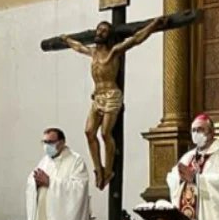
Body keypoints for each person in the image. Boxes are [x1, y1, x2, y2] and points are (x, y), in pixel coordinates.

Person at [62, 17, 165, 189]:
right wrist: (66, 39)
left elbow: (136, 39)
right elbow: (78, 47)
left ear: (109, 35)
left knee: (105, 133)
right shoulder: (93, 53)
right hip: (97, 96)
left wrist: (153, 25)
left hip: (111, 95)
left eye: (104, 31)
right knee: (89, 132)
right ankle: (98, 168)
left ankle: (109, 170)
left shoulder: (114, 51)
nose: (99, 32)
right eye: (98, 29)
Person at [26, 127, 90, 220]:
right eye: (44, 142)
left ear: (62, 142)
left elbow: (80, 188)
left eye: (50, 142)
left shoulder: (75, 161)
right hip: (43, 218)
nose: (47, 146)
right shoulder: (44, 162)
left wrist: (50, 182)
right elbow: (31, 181)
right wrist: (35, 184)